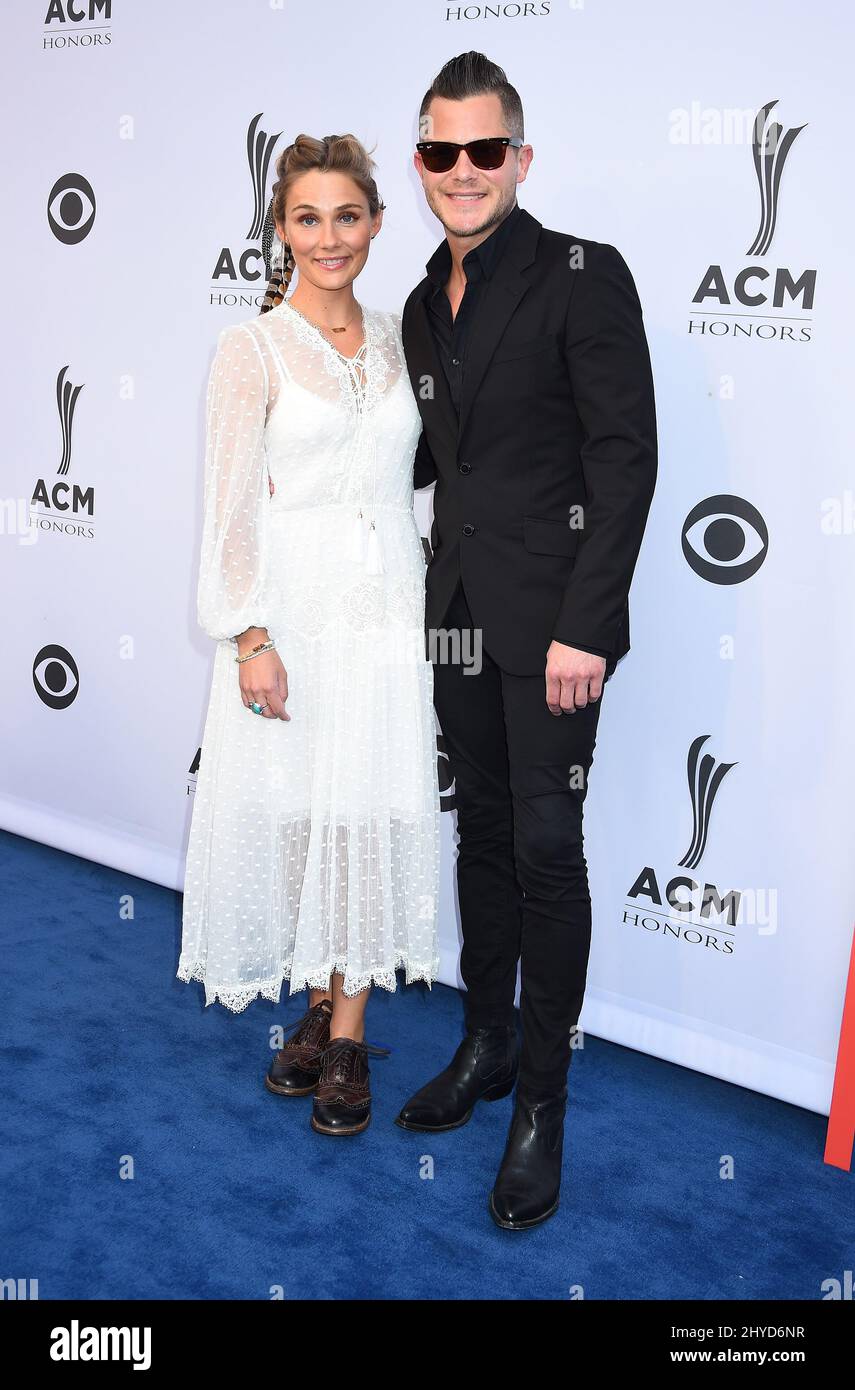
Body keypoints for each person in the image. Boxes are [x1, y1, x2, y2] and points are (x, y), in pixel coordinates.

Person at [396, 52, 657, 1227]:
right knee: (486, 835)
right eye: (442, 152)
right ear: (421, 164)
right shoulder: (415, 304)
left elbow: (624, 461)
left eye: (484, 150)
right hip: (455, 622)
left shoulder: (581, 275)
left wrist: (587, 625)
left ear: (520, 158)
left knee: (550, 854)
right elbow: (431, 463)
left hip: (553, 634)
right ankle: (487, 1043)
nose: (464, 172)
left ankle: (540, 1106)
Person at [178, 133, 441, 1137]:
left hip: (386, 612)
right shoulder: (250, 348)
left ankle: (343, 1038)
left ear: (375, 222)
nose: (328, 237)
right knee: (295, 813)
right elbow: (231, 503)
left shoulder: (399, 337)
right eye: (306, 218)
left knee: (364, 813)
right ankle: (322, 1000)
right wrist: (248, 635)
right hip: (291, 613)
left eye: (346, 216)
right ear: (280, 230)